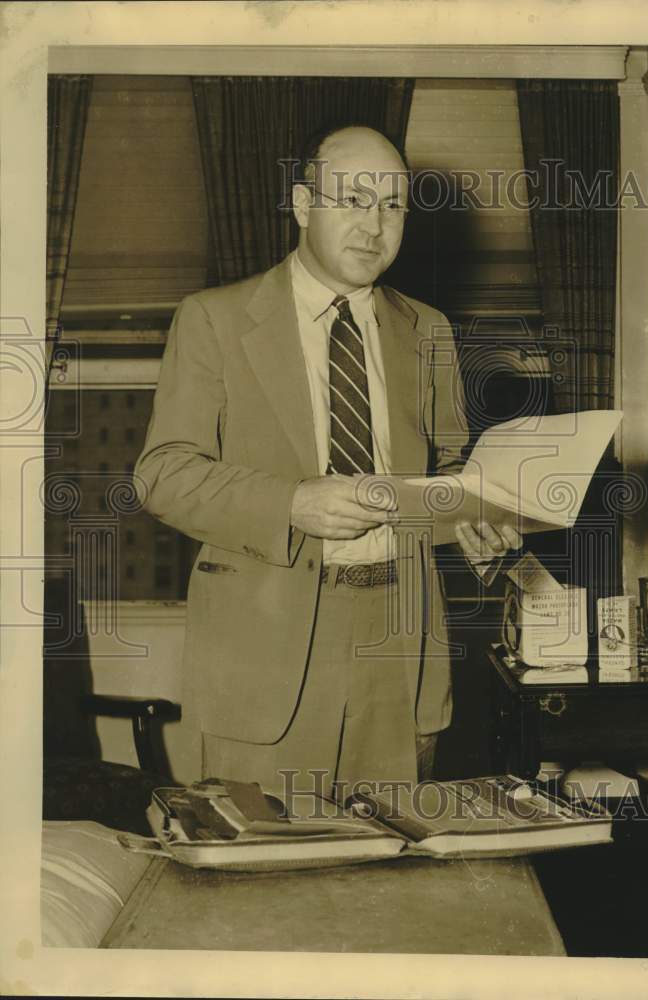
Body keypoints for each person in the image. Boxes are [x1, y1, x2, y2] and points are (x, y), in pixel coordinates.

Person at [135, 124, 520, 800]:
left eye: (393, 205)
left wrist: (480, 528)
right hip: (264, 646)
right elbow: (163, 474)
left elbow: (450, 475)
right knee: (266, 881)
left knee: (392, 878)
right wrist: (291, 503)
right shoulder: (214, 320)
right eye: (353, 199)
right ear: (302, 204)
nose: (375, 226)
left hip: (400, 649)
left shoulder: (427, 329)